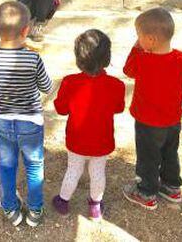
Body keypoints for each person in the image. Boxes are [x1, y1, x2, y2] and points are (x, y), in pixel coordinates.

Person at [122, 7, 182, 210]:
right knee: (169, 154)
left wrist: (135, 49)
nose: (137, 40)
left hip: (147, 123)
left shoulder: (142, 59)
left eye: (138, 36)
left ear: (150, 40)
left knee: (148, 157)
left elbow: (127, 70)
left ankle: (146, 192)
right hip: (173, 121)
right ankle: (171, 187)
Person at [0, 1, 52, 227]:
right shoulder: (33, 58)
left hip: (3, 120)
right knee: (33, 165)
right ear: (26, 30)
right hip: (30, 121)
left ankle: (10, 209)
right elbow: (47, 87)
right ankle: (34, 210)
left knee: (6, 165)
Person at [52, 30, 125, 221]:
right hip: (102, 140)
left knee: (73, 170)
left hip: (77, 139)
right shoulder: (116, 85)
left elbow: (61, 109)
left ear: (79, 58)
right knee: (98, 173)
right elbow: (119, 108)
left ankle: (63, 201)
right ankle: (95, 207)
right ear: (107, 58)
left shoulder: (70, 82)